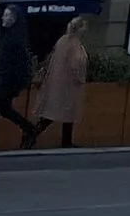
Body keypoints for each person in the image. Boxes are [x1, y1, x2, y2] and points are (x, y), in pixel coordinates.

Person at [0, 7, 35, 149]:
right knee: (3, 109)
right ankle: (29, 129)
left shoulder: (15, 39)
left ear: (14, 19)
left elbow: (17, 63)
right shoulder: (7, 36)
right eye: (4, 15)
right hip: (1, 80)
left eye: (8, 15)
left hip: (7, 82)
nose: (4, 18)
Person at [30, 15, 89, 148]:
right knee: (64, 111)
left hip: (56, 82)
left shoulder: (62, 41)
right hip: (68, 84)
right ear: (79, 29)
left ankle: (33, 134)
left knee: (55, 112)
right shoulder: (74, 44)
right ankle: (33, 134)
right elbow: (77, 63)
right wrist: (81, 77)